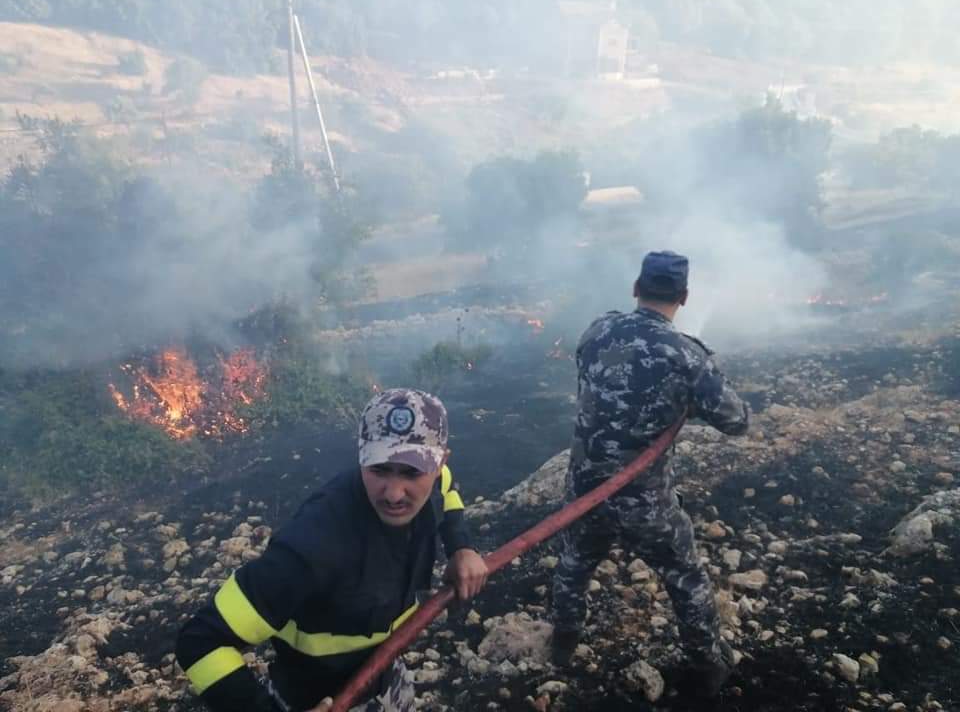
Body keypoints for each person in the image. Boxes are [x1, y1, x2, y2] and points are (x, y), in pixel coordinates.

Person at [176, 388, 488, 712]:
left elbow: (447, 492)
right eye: (379, 469)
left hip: (386, 673)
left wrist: (461, 546)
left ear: (440, 462)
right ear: (361, 457)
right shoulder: (313, 546)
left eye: (412, 471)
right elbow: (199, 641)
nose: (394, 494)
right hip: (312, 698)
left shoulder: (437, 479)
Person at [551, 250, 750, 696]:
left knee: (574, 564)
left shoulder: (597, 329)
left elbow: (595, 369)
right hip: (645, 503)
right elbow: (737, 421)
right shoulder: (687, 357)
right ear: (684, 297)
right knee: (686, 575)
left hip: (585, 491)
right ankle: (706, 665)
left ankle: (564, 641)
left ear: (636, 289)